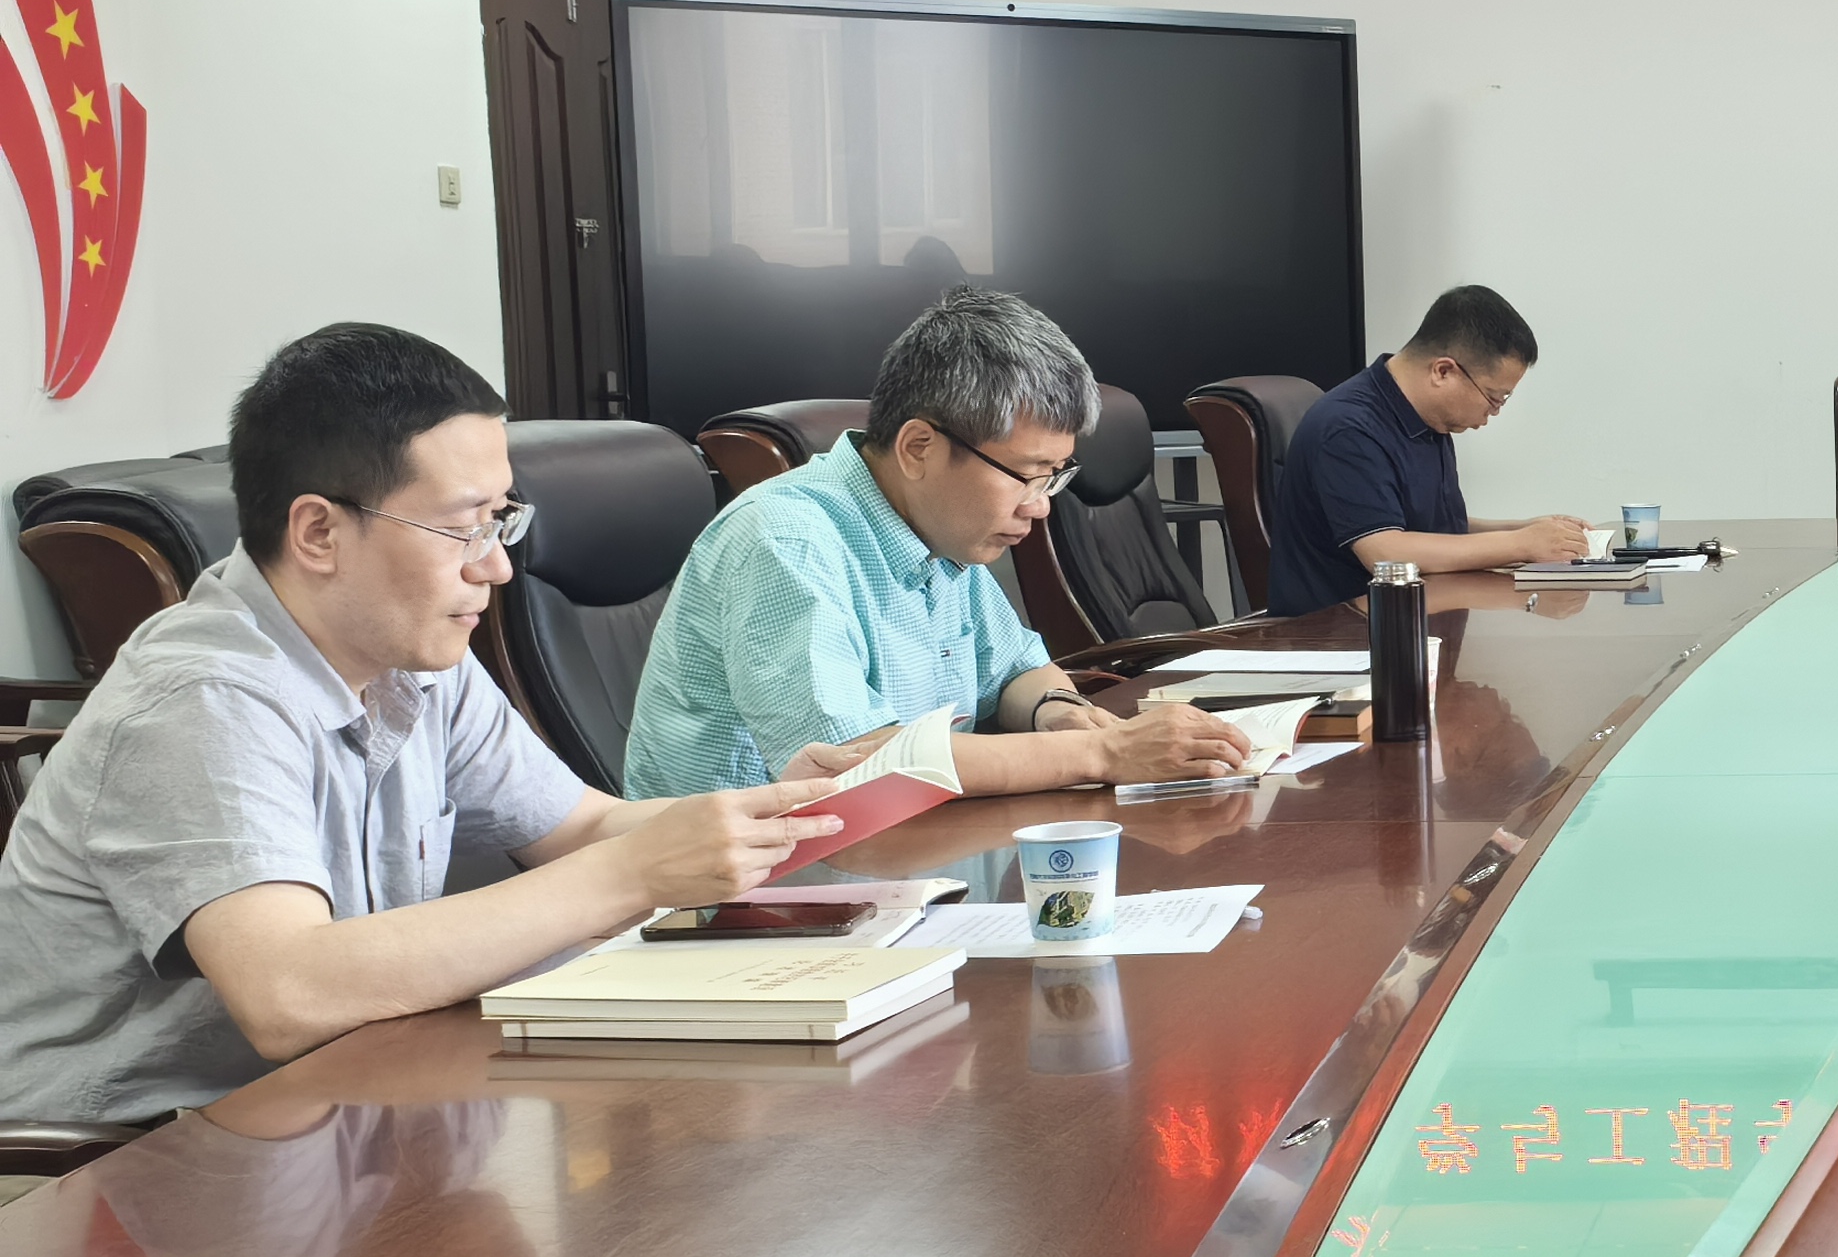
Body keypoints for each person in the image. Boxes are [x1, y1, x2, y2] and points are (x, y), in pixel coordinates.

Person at [0, 325, 842, 1125]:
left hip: (337, 1103)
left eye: (501, 519)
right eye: (462, 527)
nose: (497, 565)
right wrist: (632, 874)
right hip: (121, 1160)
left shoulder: (410, 655)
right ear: (319, 532)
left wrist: (795, 810)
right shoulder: (201, 699)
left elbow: (582, 829)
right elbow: (290, 992)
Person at [626, 287, 1254, 797]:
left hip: (896, 856)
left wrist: (1057, 711)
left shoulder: (937, 528)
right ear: (919, 447)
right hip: (749, 888)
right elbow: (860, 765)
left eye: (1054, 476)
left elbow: (1015, 672)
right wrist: (1100, 752)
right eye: (1026, 474)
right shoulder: (785, 539)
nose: (1039, 505)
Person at [1269, 285, 1593, 615]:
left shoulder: (1428, 420)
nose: (1494, 412)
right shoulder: (1348, 427)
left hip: (1415, 617)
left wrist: (1526, 529)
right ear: (1443, 371)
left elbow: (1435, 529)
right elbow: (1386, 552)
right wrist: (1521, 544)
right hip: (1336, 630)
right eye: (1494, 397)